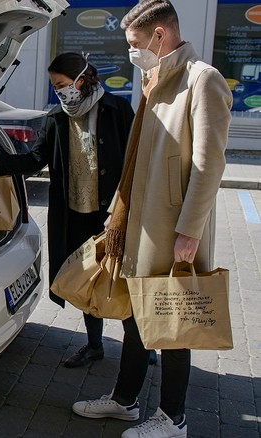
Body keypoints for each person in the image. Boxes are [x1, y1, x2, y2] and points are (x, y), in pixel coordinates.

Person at [71, 1, 232, 437]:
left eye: (135, 43)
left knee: (172, 322)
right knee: (136, 316)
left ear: (159, 35)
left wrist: (189, 232)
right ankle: (125, 400)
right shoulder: (155, 78)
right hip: (139, 225)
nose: (132, 51)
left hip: (171, 230)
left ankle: (173, 419)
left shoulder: (202, 80)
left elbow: (208, 165)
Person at [0, 52, 135, 368]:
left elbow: (135, 162)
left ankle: (139, 345)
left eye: (62, 84)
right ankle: (94, 345)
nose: (59, 91)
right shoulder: (56, 118)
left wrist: (128, 209)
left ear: (82, 80)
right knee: (87, 280)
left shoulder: (117, 110)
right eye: (55, 86)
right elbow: (35, 160)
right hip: (75, 216)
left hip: (113, 216)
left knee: (125, 278)